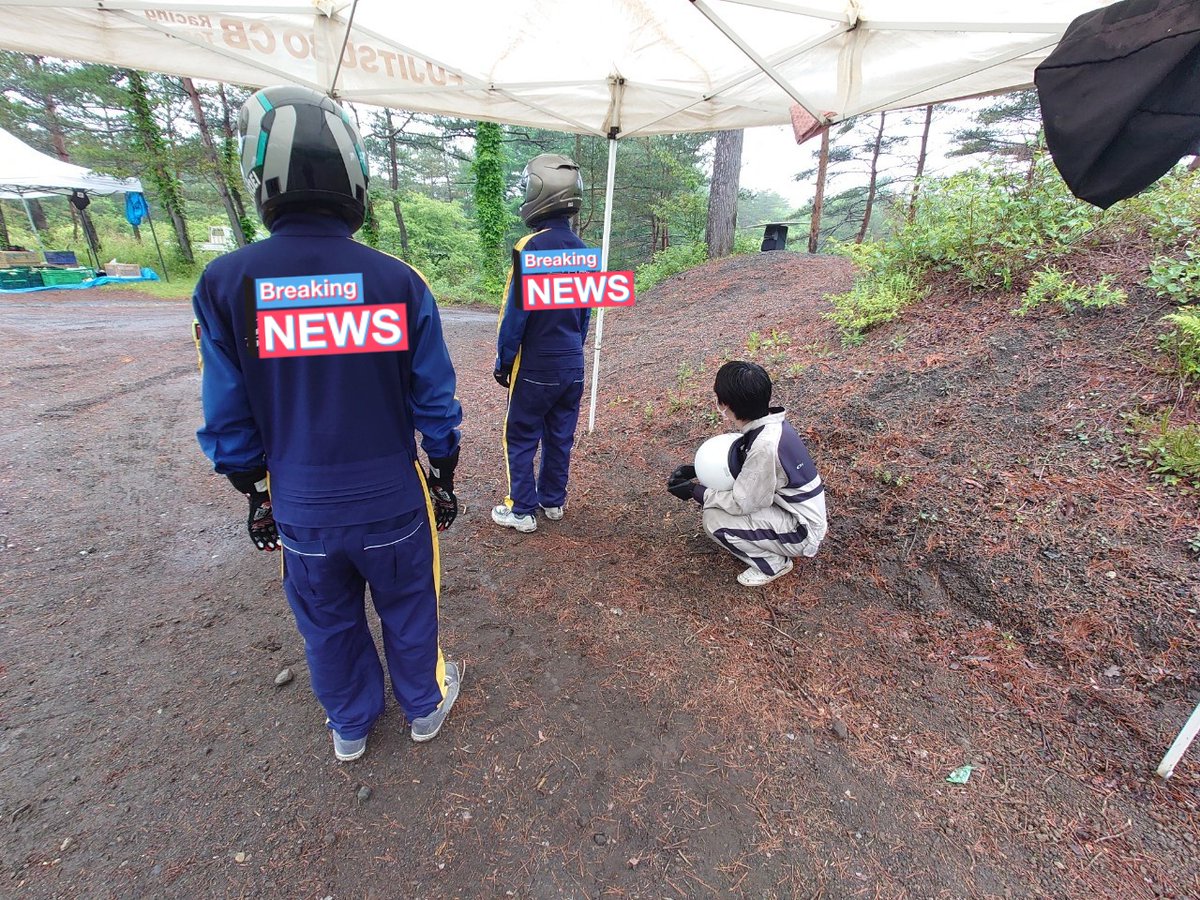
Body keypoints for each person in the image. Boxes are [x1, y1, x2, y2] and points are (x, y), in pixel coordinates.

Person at [192, 85, 463, 762]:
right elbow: (436, 400)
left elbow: (226, 412)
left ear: (260, 179)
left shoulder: (225, 283)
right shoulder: (399, 280)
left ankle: (349, 726)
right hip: (394, 499)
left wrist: (252, 491)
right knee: (410, 604)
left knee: (326, 620)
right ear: (355, 177)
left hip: (301, 505)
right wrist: (445, 468)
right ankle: (424, 707)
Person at [491, 153, 589, 533]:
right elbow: (584, 314)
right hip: (572, 363)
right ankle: (553, 501)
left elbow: (514, 312)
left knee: (520, 433)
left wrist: (504, 359)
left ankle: (521, 510)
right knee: (560, 435)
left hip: (536, 365)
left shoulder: (530, 247)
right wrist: (574, 351)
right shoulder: (583, 251)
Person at [667, 361, 827, 586]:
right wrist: (697, 471)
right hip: (796, 511)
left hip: (802, 531)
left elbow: (742, 503)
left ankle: (773, 564)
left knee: (714, 519)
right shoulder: (771, 425)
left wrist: (696, 491)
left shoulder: (764, 446)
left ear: (726, 404)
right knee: (721, 504)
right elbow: (750, 468)